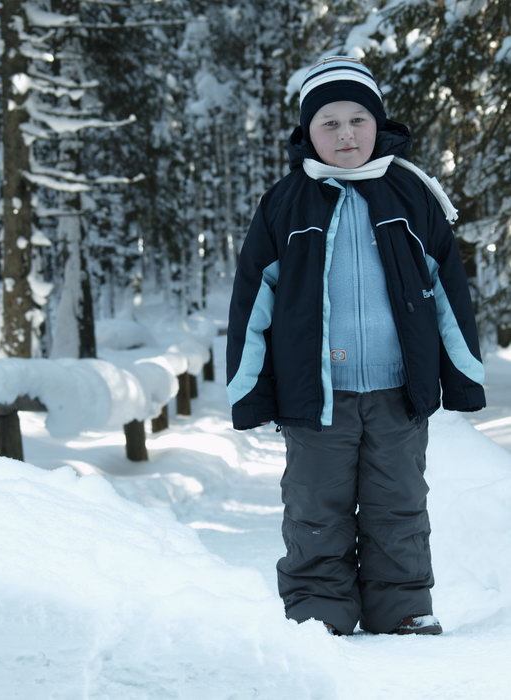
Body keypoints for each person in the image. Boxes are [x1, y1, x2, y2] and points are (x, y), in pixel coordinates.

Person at [226, 56, 486, 636]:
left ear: (378, 123)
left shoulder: (412, 194)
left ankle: (402, 606)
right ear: (308, 132)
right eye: (330, 123)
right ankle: (319, 610)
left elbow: (448, 290)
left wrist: (463, 375)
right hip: (315, 397)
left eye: (357, 120)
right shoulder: (285, 203)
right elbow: (252, 301)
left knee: (399, 505)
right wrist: (248, 390)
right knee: (316, 508)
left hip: (398, 391)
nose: (345, 134)